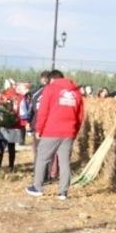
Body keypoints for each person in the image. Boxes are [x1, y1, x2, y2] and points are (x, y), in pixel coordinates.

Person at [25, 69, 84, 200]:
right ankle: (63, 192)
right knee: (64, 162)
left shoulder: (50, 89)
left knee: (42, 158)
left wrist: (39, 129)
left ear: (52, 79)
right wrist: (75, 132)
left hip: (51, 130)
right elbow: (80, 116)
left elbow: (43, 111)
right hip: (69, 132)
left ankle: (37, 187)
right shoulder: (76, 93)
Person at [0, 79, 24, 171]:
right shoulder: (19, 96)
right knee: (12, 146)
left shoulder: (1, 95)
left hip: (3, 124)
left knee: (0, 146)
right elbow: (22, 111)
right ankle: (11, 166)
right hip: (15, 124)